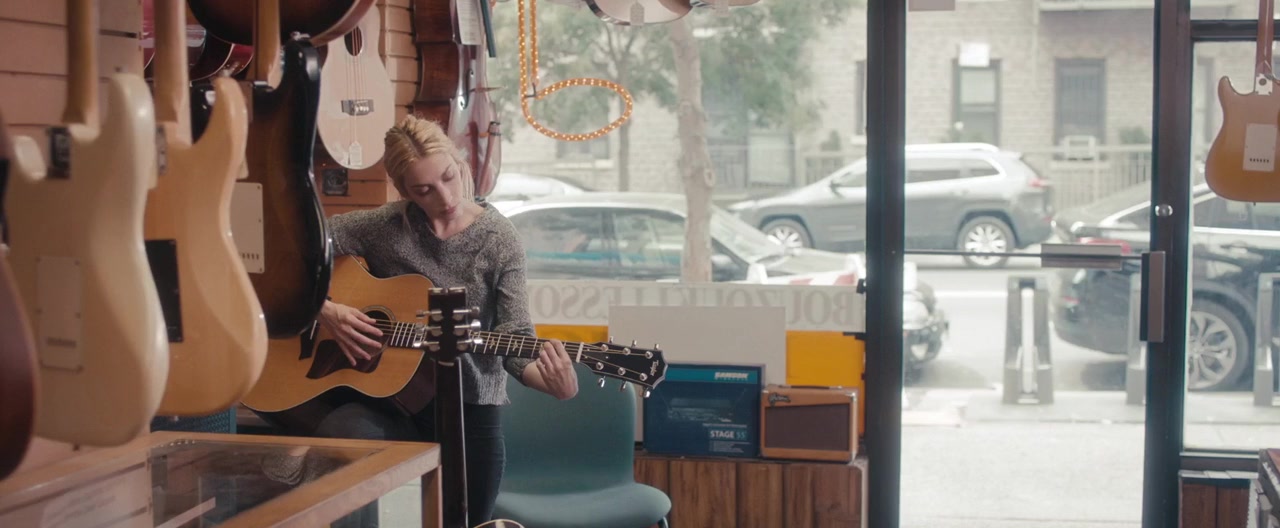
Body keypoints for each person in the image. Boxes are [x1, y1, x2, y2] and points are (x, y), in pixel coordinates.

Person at [266, 115, 579, 526]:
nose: (445, 198)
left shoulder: (498, 239)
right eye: (424, 190)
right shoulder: (383, 227)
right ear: (404, 191)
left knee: (468, 521)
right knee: (348, 442)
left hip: (469, 409)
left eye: (449, 177)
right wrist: (324, 309)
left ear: (459, 162)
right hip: (386, 403)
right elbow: (289, 249)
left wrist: (555, 384)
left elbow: (514, 336)